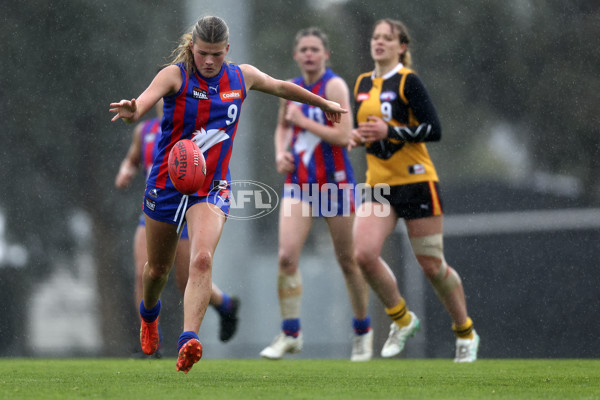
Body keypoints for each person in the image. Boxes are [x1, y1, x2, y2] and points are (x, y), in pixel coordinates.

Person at [109, 15, 347, 374]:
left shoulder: (241, 76)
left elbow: (282, 87)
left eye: (216, 54)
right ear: (192, 48)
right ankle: (149, 314)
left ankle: (188, 339)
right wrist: (132, 112)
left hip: (213, 185)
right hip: (166, 183)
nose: (209, 61)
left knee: (201, 260)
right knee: (157, 269)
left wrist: (323, 104)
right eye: (203, 53)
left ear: (227, 51)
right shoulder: (175, 75)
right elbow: (142, 104)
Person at [349, 19, 480, 362]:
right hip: (379, 187)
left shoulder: (409, 81)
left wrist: (390, 132)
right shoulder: (362, 83)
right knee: (362, 253)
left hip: (417, 183)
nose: (378, 42)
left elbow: (433, 130)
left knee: (432, 266)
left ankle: (465, 332)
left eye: (387, 38)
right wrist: (356, 136)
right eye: (375, 36)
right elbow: (365, 129)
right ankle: (402, 319)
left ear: (401, 47)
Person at [259, 27, 371, 362]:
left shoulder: (334, 86)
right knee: (286, 257)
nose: (309, 54)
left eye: (315, 49)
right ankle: (290, 333)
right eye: (303, 49)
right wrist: (280, 153)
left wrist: (303, 122)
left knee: (348, 261)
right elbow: (282, 126)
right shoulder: (290, 89)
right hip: (299, 184)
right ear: (296, 55)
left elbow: (343, 136)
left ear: (326, 55)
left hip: (335, 185)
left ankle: (363, 332)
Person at [114, 98, 240, 356]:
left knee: (187, 279)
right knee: (146, 271)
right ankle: (148, 344)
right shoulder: (145, 131)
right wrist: (126, 170)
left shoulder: (192, 130)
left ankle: (225, 305)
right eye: (162, 97)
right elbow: (133, 159)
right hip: (159, 205)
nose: (165, 102)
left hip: (190, 207)